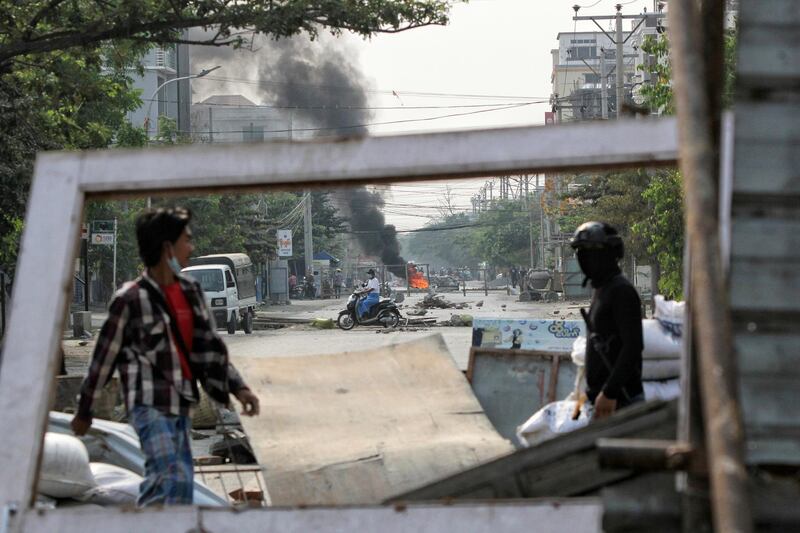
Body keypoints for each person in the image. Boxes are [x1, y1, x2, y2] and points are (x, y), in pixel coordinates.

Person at [71, 207, 260, 506]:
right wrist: (85, 410)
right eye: (187, 240)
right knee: (165, 478)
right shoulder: (129, 300)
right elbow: (103, 360)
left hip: (181, 404)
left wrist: (239, 388)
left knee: (181, 485)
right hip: (148, 406)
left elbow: (210, 347)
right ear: (167, 247)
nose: (192, 247)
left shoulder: (190, 291)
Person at [570, 221, 644, 420]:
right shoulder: (602, 289)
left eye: (594, 252)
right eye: (582, 253)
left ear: (611, 254)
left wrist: (610, 391)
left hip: (620, 402)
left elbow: (633, 346)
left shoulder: (621, 291)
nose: (587, 259)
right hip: (602, 400)